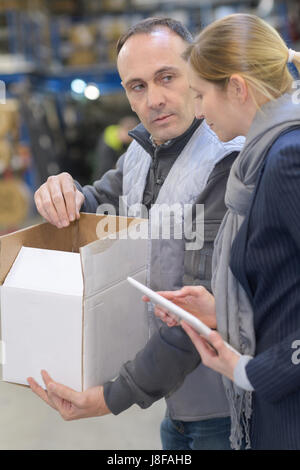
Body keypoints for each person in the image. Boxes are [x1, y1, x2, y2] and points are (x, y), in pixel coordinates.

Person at [29, 17, 244, 450]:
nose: (154, 100)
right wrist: (62, 191)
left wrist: (113, 396)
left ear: (197, 73)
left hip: (224, 412)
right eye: (137, 86)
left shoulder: (227, 161)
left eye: (167, 77)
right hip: (175, 406)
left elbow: (195, 314)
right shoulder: (143, 152)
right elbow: (96, 198)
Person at [153, 14, 300, 450]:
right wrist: (220, 309)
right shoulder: (263, 159)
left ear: (237, 87)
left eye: (201, 95)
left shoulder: (287, 159)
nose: (198, 111)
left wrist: (251, 371)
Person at [91, 115, 139, 180]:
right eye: (131, 136)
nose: (132, 140)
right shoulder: (108, 144)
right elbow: (104, 169)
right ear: (124, 130)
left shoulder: (119, 141)